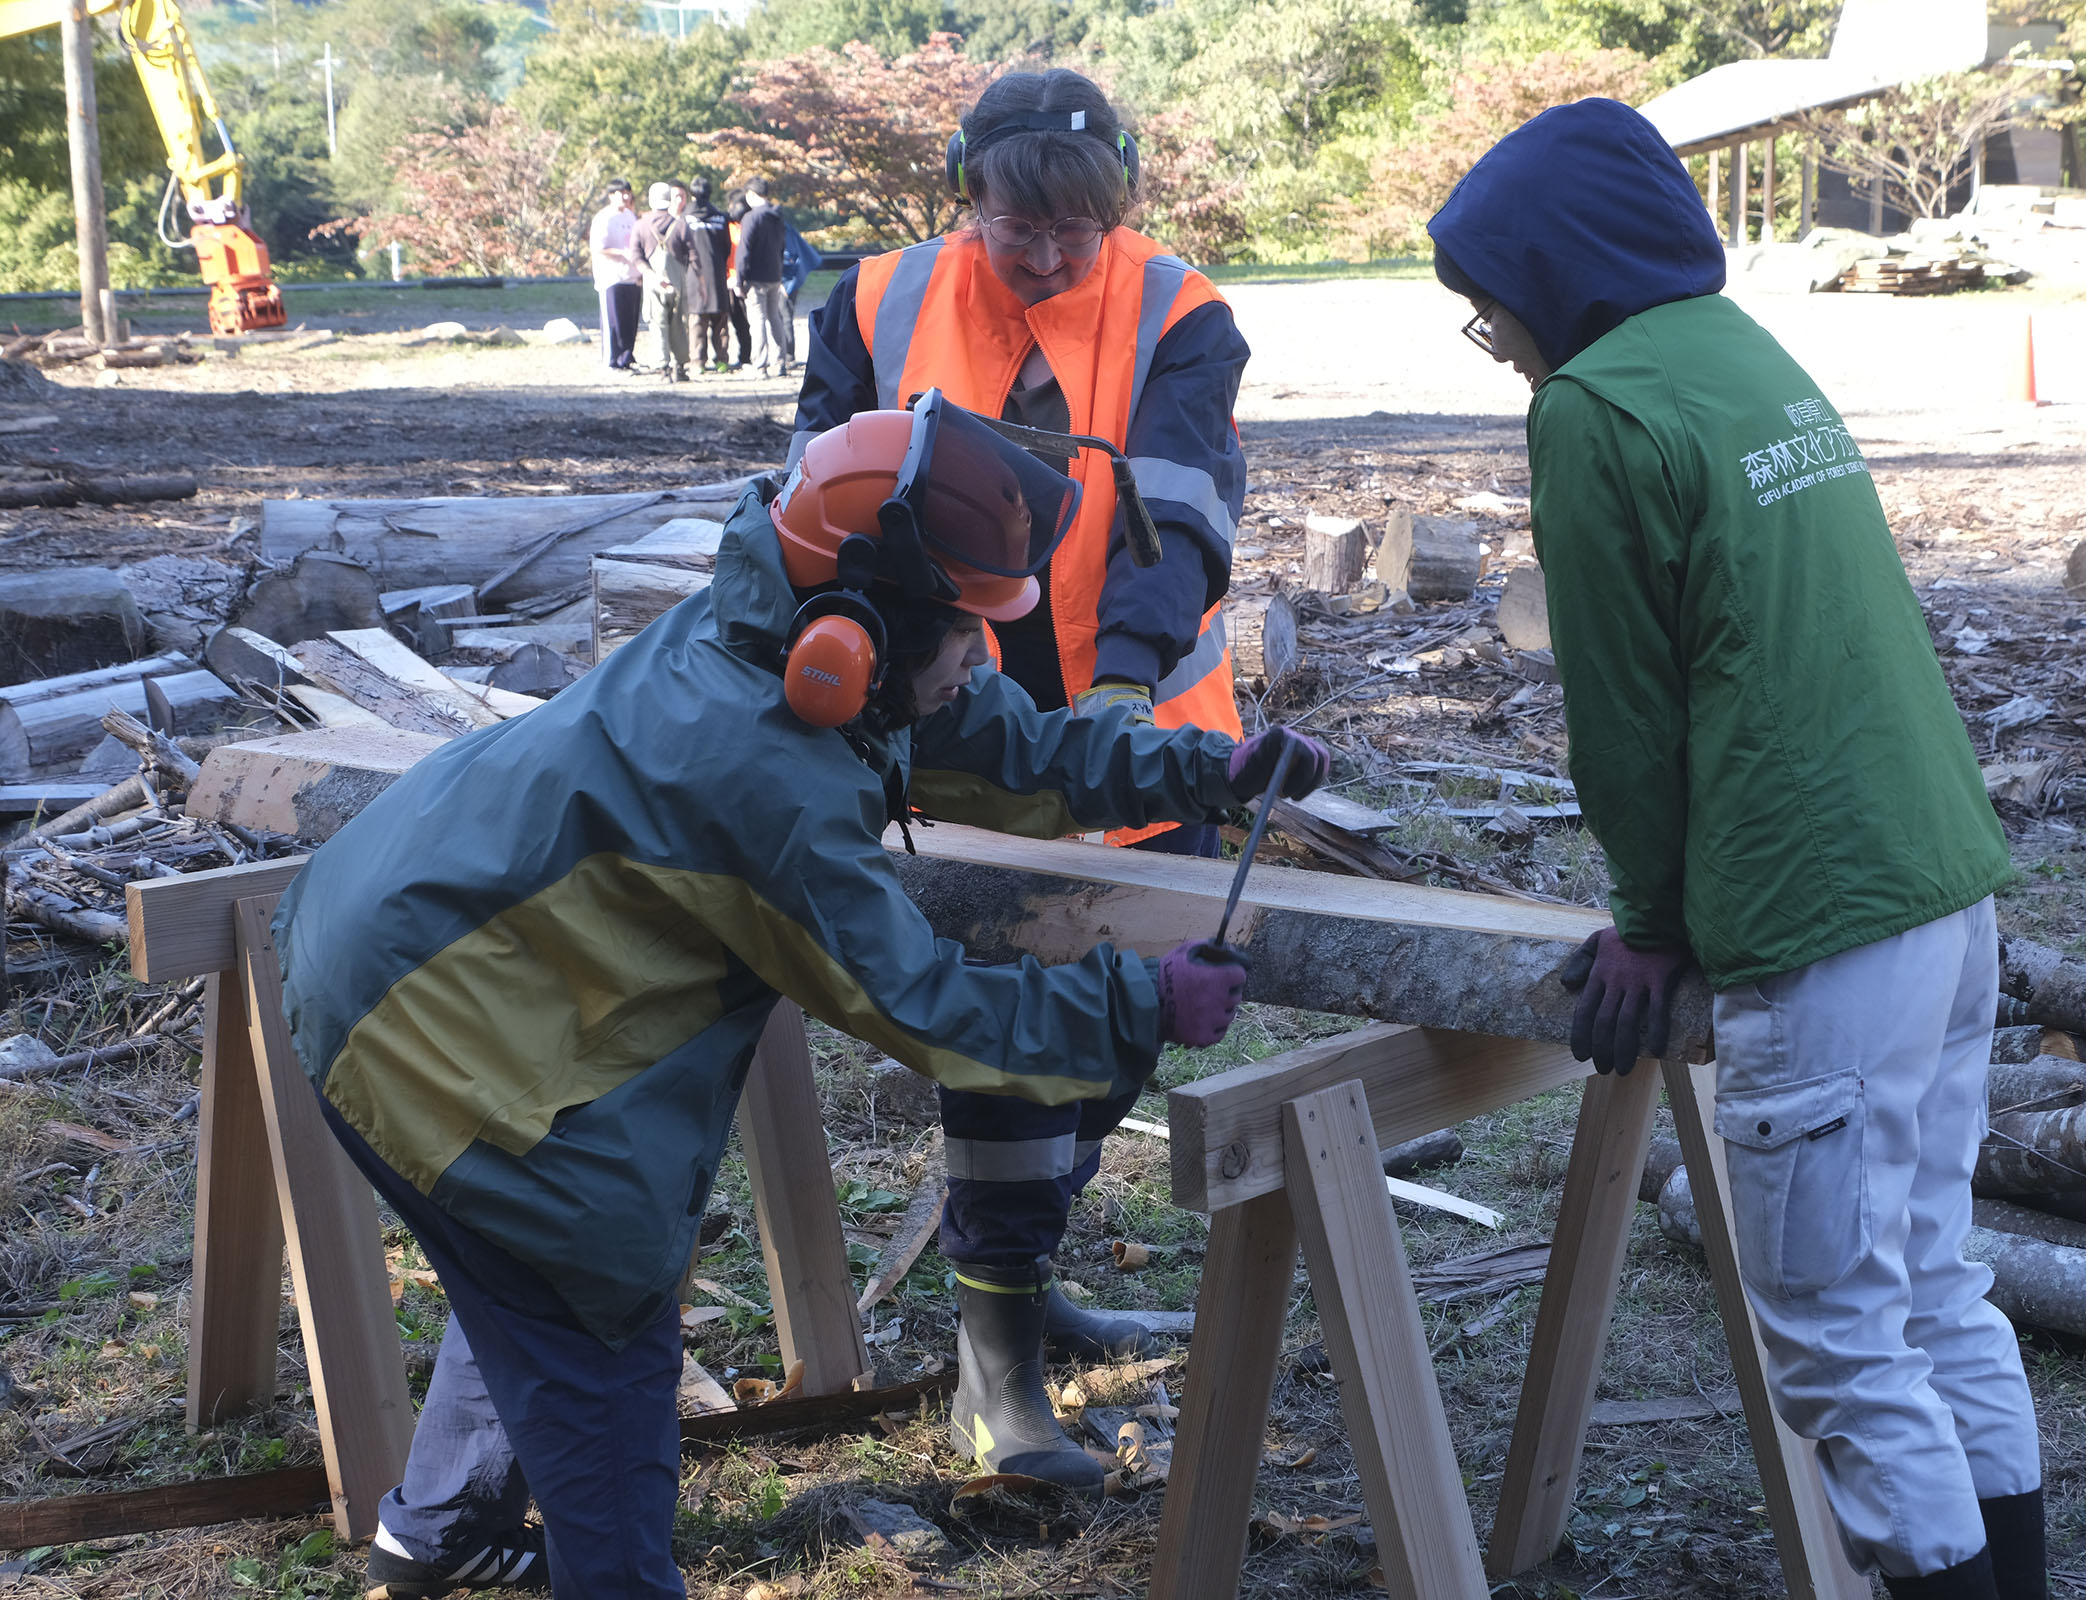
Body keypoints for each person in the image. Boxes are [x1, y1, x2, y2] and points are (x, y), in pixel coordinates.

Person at [279, 392, 1330, 1597]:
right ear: (868, 625)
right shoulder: (759, 764)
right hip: (428, 1019)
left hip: (394, 943)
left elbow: (1023, 751)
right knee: (590, 1321)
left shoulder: (811, 647)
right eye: (965, 632)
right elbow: (923, 1006)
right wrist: (1135, 1007)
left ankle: (438, 1532)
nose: (979, 658)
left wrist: (1212, 766)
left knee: (522, 1273)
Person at [1428, 99, 2043, 1600]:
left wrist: (1645, 920)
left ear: (1550, 274)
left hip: (1819, 921)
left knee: (1837, 1340)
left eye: (1488, 302)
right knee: (1938, 1285)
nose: (1493, 334)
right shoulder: (1741, 351)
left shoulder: (1593, 409)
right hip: (1940, 890)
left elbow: (1629, 711)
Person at [790, 67, 1252, 1492]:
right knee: (1010, 1028)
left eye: (1080, 229)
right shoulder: (871, 304)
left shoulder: (1179, 311)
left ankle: (1023, 1275)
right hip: (952, 727)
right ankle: (999, 1380)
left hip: (1134, 708)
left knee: (1106, 1041)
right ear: (964, 192)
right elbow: (821, 499)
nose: (1052, 255)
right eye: (1020, 225)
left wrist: (1119, 685)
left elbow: (1178, 511)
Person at [733, 178, 795, 379]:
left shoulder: (752, 217)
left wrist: (739, 279)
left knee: (757, 320)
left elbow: (744, 251)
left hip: (756, 278)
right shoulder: (777, 216)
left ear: (751, 194)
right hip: (774, 275)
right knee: (774, 318)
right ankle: (780, 362)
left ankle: (760, 365)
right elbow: (782, 246)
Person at [630, 181, 690, 382]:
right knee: (679, 324)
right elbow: (691, 254)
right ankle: (680, 367)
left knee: (657, 324)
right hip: (678, 281)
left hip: (652, 281)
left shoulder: (641, 225)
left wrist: (650, 274)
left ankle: (663, 369)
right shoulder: (681, 225)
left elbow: (636, 256)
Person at [675, 175, 734, 374]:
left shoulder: (685, 218)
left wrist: (685, 262)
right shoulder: (720, 217)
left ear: (692, 194)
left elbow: (675, 245)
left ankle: (698, 362)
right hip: (717, 275)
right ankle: (722, 360)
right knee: (720, 321)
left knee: (697, 320)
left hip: (694, 274)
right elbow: (727, 247)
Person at [588, 178, 642, 372]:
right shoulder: (604, 218)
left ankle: (626, 359)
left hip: (632, 276)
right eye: (621, 193)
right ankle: (611, 361)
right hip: (612, 277)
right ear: (611, 195)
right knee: (614, 322)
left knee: (630, 321)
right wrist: (621, 253)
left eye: (628, 193)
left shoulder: (630, 216)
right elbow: (598, 248)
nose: (626, 197)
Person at [724, 194, 754, 370]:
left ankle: (746, 356)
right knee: (734, 321)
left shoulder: (749, 226)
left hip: (744, 280)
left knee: (746, 321)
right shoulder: (727, 226)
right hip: (728, 278)